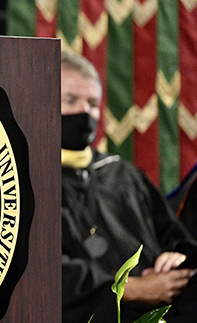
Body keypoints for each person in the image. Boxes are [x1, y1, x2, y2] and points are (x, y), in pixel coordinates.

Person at [60, 50, 197, 323]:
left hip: (165, 309)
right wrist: (131, 289)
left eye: (93, 103)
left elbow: (174, 234)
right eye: (70, 100)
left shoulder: (121, 173)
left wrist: (175, 259)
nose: (84, 112)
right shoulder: (29, 180)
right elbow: (44, 274)